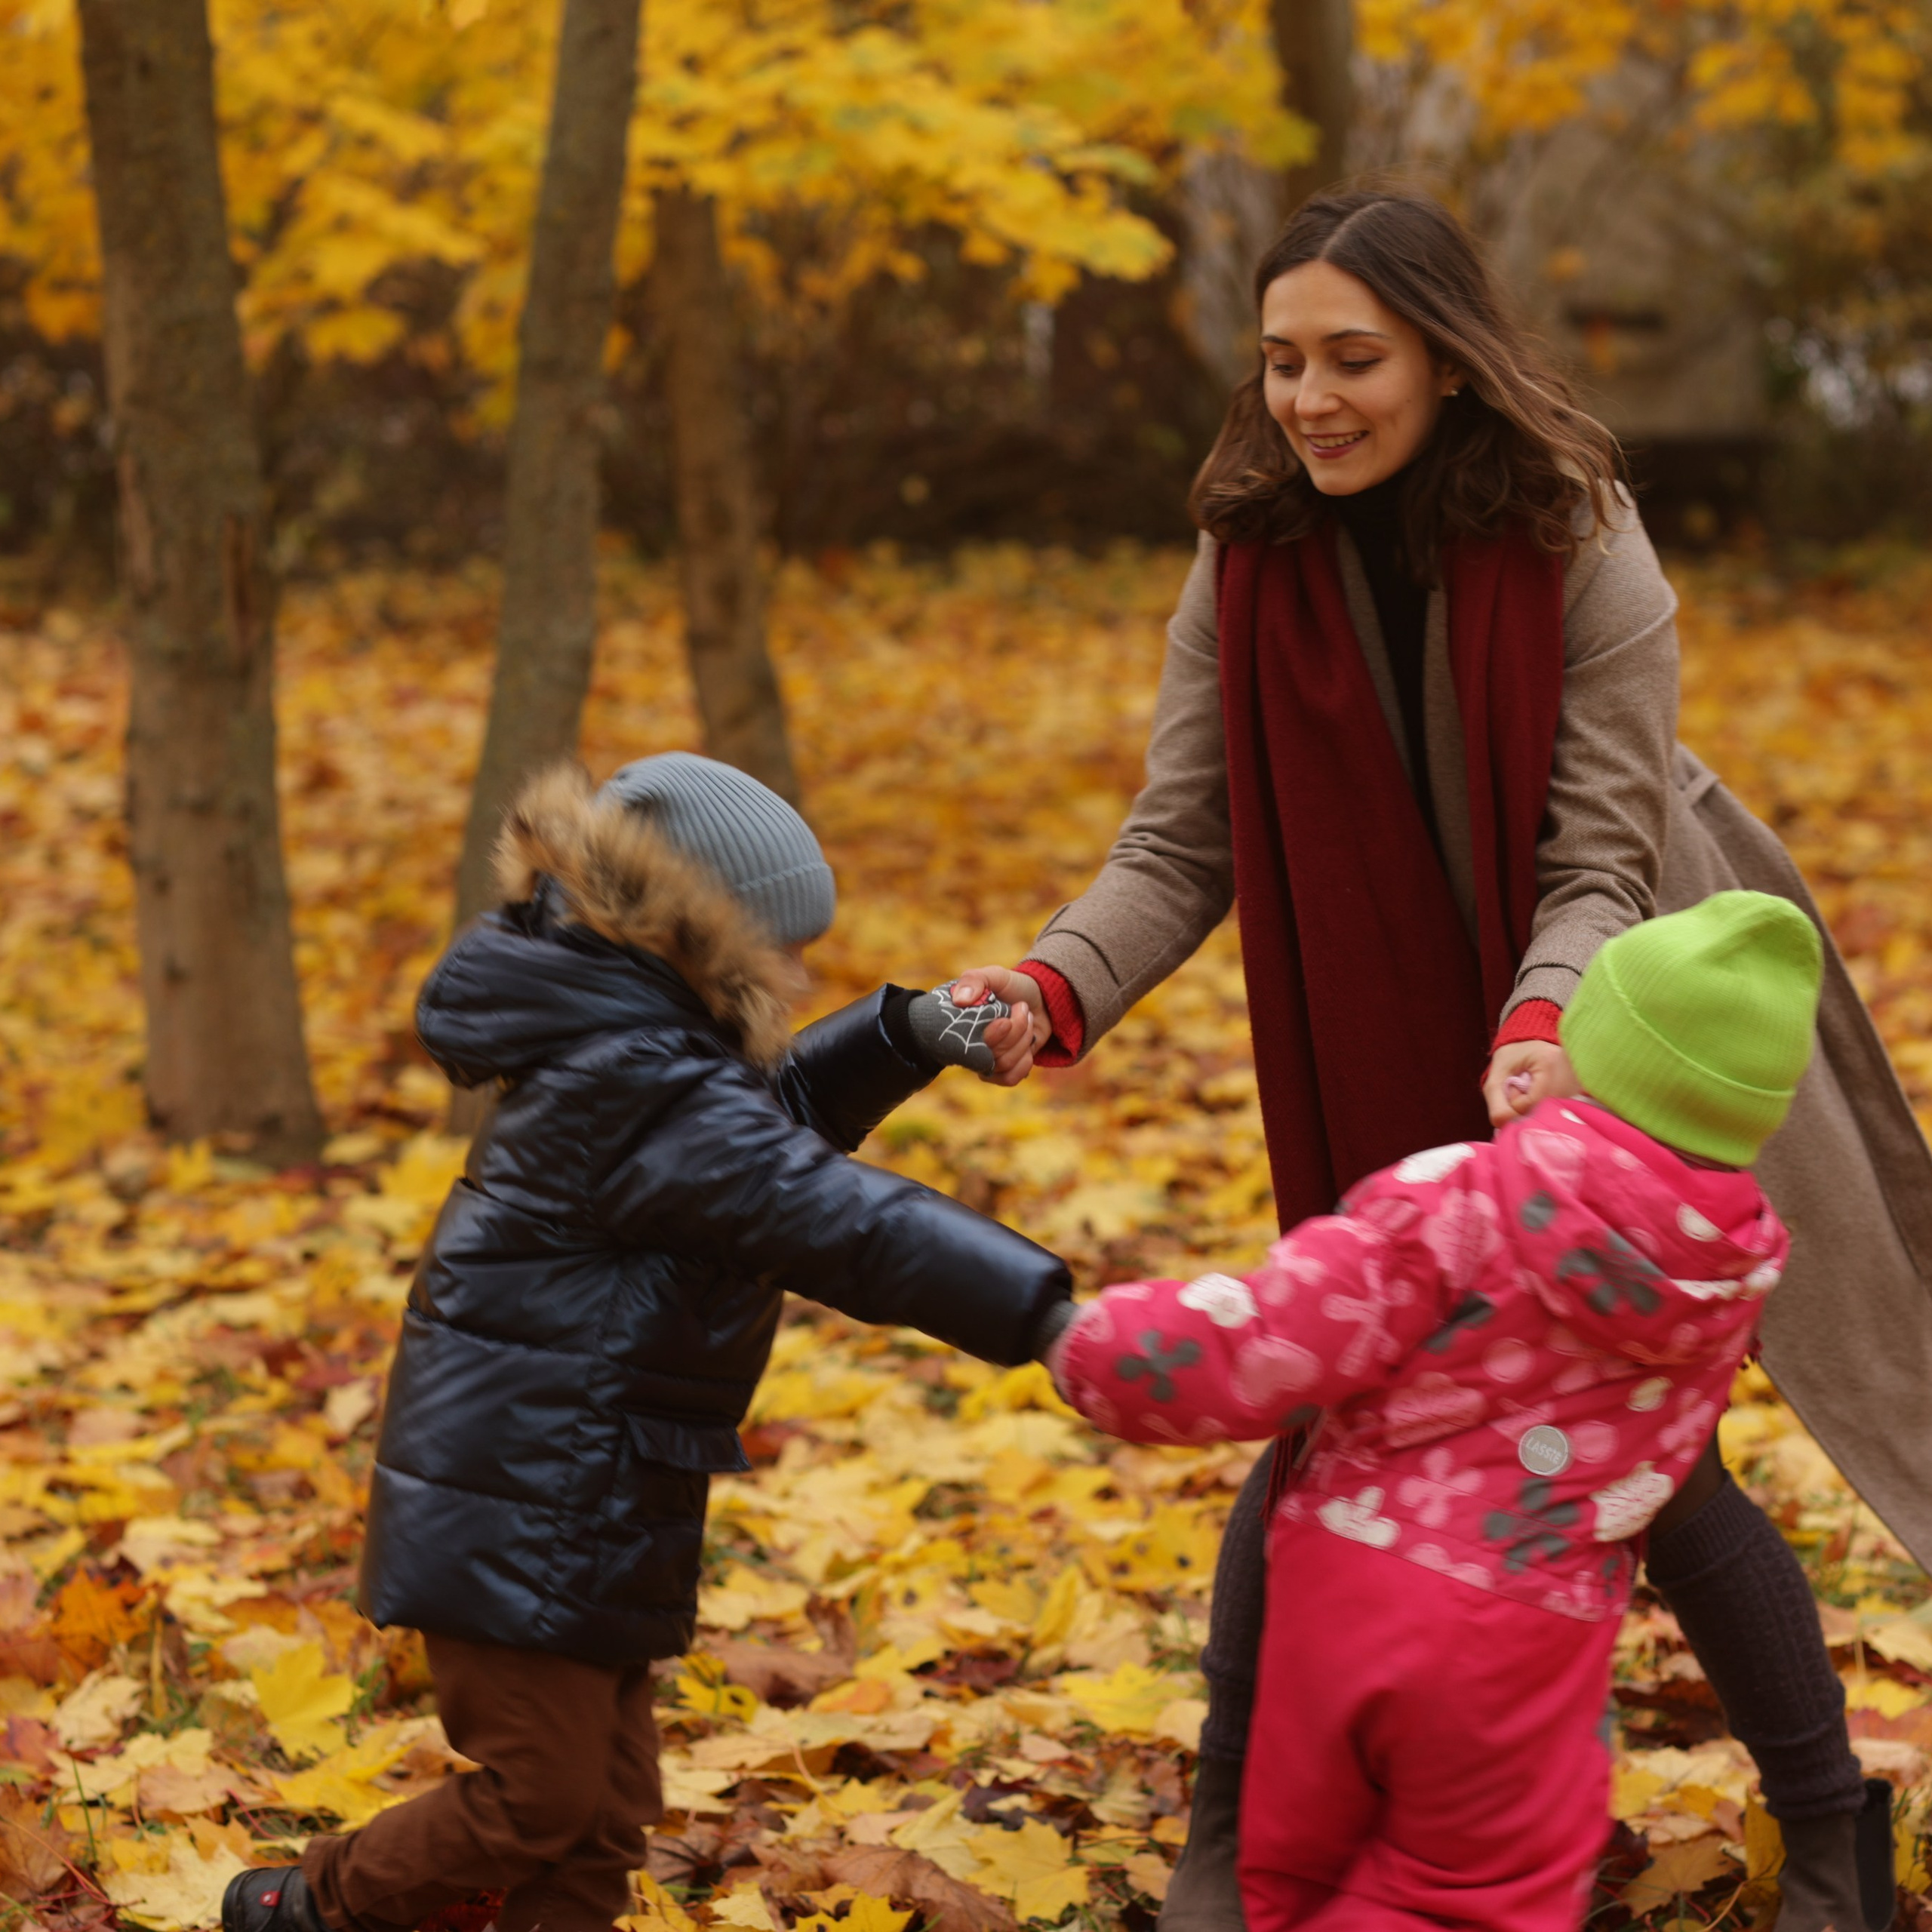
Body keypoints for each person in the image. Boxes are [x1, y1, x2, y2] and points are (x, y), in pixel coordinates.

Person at [957, 189, 1932, 1932]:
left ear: (1446, 364)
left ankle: (1828, 1818)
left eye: (1352, 359)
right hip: (1363, 998)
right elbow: (1179, 840)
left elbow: (1596, 857)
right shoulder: (1245, 543)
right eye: (1278, 363)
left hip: (1606, 1004)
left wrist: (1541, 1023)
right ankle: (1229, 1831)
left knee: (1643, 1448)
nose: (1310, 399)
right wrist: (1053, 982)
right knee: (1338, 1393)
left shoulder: (1577, 536)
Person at [222, 753, 1072, 1932]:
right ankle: (304, 1907)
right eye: (786, 949)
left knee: (603, 1811)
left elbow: (765, 1125)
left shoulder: (640, 1056)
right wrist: (1045, 1314)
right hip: (523, 1503)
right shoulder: (636, 1086)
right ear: (694, 941)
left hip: (591, 1497)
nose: (803, 972)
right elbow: (832, 1215)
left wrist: (908, 1034)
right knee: (540, 1798)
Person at [1046, 893, 1820, 1932]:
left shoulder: (1459, 1195)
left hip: (1349, 1608)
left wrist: (1097, 1346)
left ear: (1585, 1050)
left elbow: (1270, 1336)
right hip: (1532, 1660)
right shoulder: (1730, 1285)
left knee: (1289, 1871)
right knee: (1465, 1901)